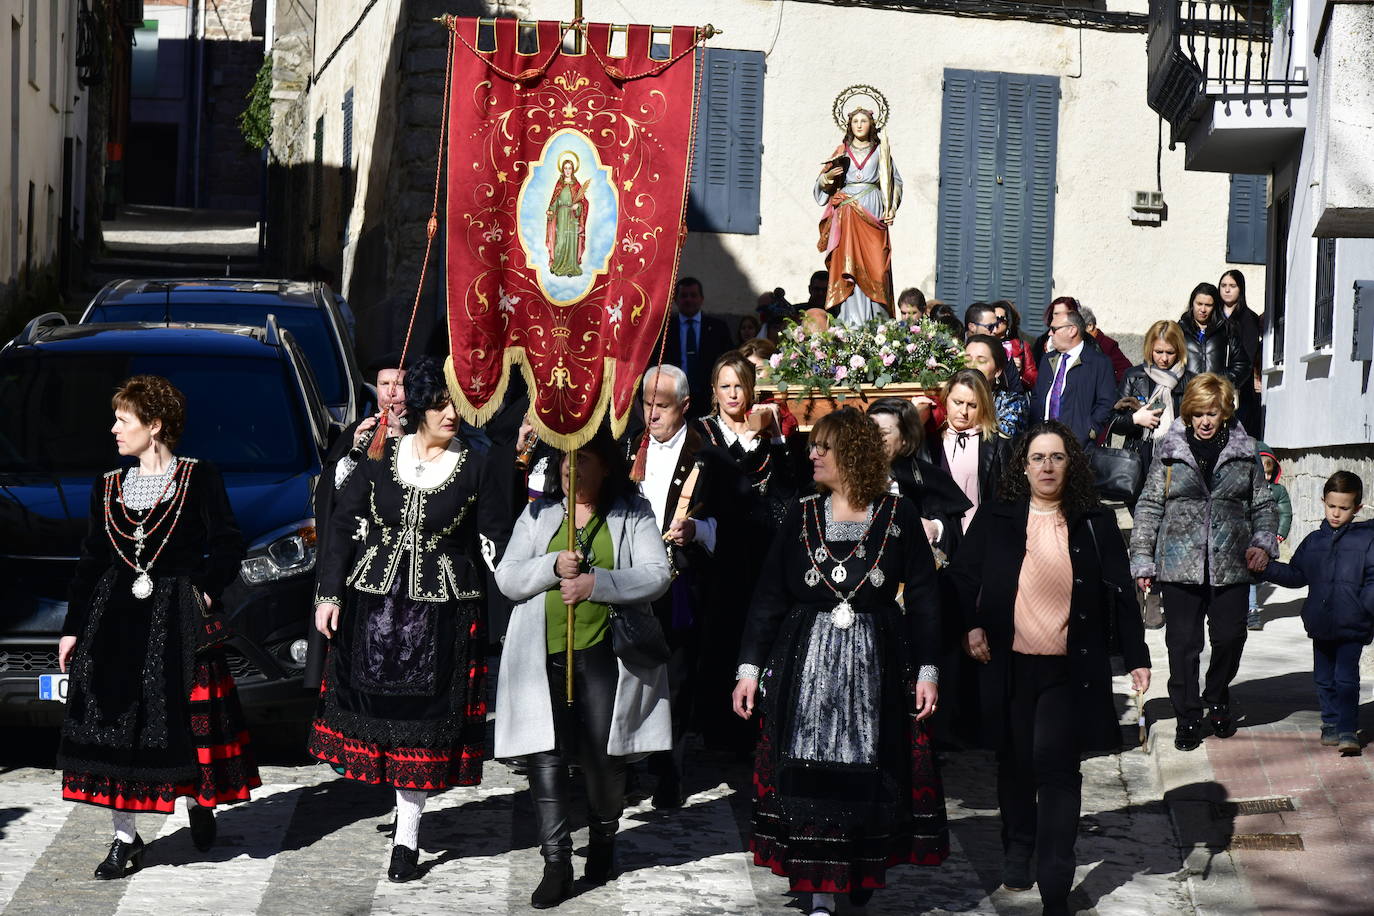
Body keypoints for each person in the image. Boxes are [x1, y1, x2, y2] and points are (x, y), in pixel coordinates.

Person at [732, 408, 947, 915]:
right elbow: (768, 598)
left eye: (823, 447)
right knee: (807, 772)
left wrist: (928, 670)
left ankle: (855, 875)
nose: (812, 454)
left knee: (867, 773)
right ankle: (816, 891)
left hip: (876, 669)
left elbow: (924, 599)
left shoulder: (899, 518)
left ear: (851, 454)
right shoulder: (800, 515)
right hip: (806, 667)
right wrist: (747, 669)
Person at [310, 356, 513, 882]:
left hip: (444, 616)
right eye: (444, 404)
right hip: (374, 608)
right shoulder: (380, 458)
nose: (452, 415)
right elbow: (343, 524)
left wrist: (521, 591)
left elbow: (496, 542)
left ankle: (408, 835)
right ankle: (400, 813)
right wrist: (329, 595)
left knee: (425, 727)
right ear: (421, 406)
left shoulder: (476, 466)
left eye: (459, 406)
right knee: (381, 721)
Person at [56, 375, 257, 878]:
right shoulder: (107, 486)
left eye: (123, 420)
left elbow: (228, 542)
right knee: (118, 732)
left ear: (156, 425)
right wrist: (72, 627)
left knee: (184, 727)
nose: (114, 429)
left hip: (178, 622)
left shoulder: (198, 477)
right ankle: (126, 839)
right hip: (116, 621)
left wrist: (205, 590)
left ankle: (198, 801)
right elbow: (90, 561)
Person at [948, 420, 1151, 916]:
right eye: (1037, 458)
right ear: (1023, 465)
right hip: (1008, 664)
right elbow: (960, 578)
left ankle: (1056, 878)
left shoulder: (1092, 521)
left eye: (1057, 457)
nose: (1046, 466)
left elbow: (1121, 591)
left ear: (1071, 464)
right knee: (1015, 764)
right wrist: (971, 627)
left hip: (1069, 669)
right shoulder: (997, 516)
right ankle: (1017, 848)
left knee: (1057, 769)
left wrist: (1137, 656)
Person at [494, 432, 673, 906]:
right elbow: (508, 578)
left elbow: (657, 574)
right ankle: (556, 862)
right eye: (564, 461)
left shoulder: (632, 513)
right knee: (544, 756)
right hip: (540, 651)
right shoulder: (539, 514)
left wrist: (599, 584)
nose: (570, 470)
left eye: (583, 460)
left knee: (602, 757)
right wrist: (553, 564)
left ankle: (605, 837)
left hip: (604, 652)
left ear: (607, 467)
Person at [1130, 373, 1277, 752]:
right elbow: (1149, 506)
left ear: (1225, 412)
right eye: (1198, 413)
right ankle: (1188, 716)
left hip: (1230, 562)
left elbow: (1263, 504)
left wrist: (1262, 543)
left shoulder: (1246, 452)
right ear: (1189, 414)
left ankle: (1217, 694)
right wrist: (1143, 561)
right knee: (1181, 645)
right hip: (1178, 563)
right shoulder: (1168, 451)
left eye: (1212, 413)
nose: (1205, 421)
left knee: (1230, 636)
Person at [632, 363, 731, 807]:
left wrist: (699, 530)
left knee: (676, 677)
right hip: (628, 578)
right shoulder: (625, 447)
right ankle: (627, 760)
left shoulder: (709, 455)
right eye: (646, 404)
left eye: (662, 406)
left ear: (685, 406)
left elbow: (736, 523)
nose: (651, 415)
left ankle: (670, 767)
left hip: (680, 581)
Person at [694, 352, 795, 750]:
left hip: (764, 550)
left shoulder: (770, 435)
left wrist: (775, 439)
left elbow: (790, 484)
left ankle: (761, 727)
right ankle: (719, 730)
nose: (733, 394)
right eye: (725, 386)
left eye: (739, 385)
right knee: (721, 635)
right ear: (714, 392)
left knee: (763, 633)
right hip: (719, 551)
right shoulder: (704, 432)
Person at [308, 355, 408, 689]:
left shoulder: (422, 434)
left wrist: (400, 439)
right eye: (384, 384)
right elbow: (331, 496)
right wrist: (353, 451)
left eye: (400, 384)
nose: (391, 393)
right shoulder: (357, 430)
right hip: (353, 555)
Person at [1259, 471, 1372, 756]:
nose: (1336, 513)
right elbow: (1296, 575)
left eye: (1344, 508)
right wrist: (1265, 568)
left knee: (1346, 678)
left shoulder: (1366, 541)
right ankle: (1330, 724)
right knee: (1323, 677)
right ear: (1323, 502)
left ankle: (1348, 729)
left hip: (1353, 624)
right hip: (1321, 623)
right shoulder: (1314, 542)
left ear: (1357, 508)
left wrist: (1365, 609)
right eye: (1331, 506)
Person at [815, 108, 903, 323]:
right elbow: (821, 183)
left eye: (864, 121)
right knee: (848, 263)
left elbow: (895, 182)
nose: (860, 125)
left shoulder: (881, 151)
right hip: (847, 214)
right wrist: (827, 177)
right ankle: (850, 320)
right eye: (856, 121)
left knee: (877, 266)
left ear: (871, 124)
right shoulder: (841, 150)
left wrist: (890, 208)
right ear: (850, 125)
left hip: (873, 213)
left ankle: (877, 320)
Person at [866, 396, 972, 563]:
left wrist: (936, 528)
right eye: (869, 431)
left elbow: (954, 536)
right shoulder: (845, 476)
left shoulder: (931, 478)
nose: (873, 438)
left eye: (883, 433)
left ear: (905, 438)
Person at [929, 368, 1011, 535]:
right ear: (946, 399)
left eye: (972, 405)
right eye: (958, 402)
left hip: (981, 540)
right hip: (939, 540)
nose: (964, 412)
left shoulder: (999, 444)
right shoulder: (930, 442)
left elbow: (1007, 500)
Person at [1108, 319, 1195, 475]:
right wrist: (1135, 419)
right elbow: (1113, 421)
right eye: (1158, 352)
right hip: (1140, 456)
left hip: (1178, 457)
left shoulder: (1190, 382)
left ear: (1180, 351)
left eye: (1170, 352)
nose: (1164, 358)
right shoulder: (1134, 376)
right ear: (1149, 349)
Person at [1030, 309, 1117, 447]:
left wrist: (1089, 431)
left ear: (1072, 331)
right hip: (1043, 442)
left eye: (1054, 329)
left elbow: (1106, 403)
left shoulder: (1099, 363)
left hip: (1078, 447)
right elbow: (1037, 396)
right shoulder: (1048, 359)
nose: (1050, 333)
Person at [660, 277, 735, 417]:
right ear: (675, 299)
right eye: (684, 296)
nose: (689, 300)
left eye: (693, 295)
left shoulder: (718, 327)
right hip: (675, 396)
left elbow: (729, 360)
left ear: (701, 299)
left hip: (709, 396)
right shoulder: (665, 329)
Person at [1247, 442, 1292, 630]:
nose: (1265, 478)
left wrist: (1280, 533)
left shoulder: (1278, 491)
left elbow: (1285, 513)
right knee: (1248, 576)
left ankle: (1252, 610)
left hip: (1264, 540)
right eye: (1262, 473)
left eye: (1268, 473)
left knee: (1254, 576)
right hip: (1244, 538)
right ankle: (1250, 609)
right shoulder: (1247, 490)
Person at [1179, 282, 1250, 393]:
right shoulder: (1179, 330)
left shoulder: (1227, 330)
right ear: (1192, 303)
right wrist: (1182, 385)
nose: (1203, 309)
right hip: (1186, 396)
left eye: (1208, 305)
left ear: (1215, 307)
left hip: (1217, 397)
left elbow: (1242, 364)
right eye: (1199, 304)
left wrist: (1221, 382)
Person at [1218, 269, 1263, 436]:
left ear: (1240, 289)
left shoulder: (1249, 318)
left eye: (1232, 286)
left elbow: (1248, 356)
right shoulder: (1214, 317)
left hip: (1241, 389)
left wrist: (1232, 377)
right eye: (1223, 286)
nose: (1227, 290)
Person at [965, 333, 1029, 439]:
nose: (972, 366)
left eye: (981, 361)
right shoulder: (952, 393)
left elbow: (1005, 436)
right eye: (967, 359)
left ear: (998, 371)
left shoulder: (1011, 402)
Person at [546, 154, 589, 276]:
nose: (567, 170)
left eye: (570, 168)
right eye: (565, 168)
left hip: (573, 217)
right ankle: (558, 264)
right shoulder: (559, 184)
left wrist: (578, 206)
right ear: (562, 169)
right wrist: (550, 210)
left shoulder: (576, 185)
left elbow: (584, 202)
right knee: (560, 240)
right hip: (561, 215)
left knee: (572, 241)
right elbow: (554, 201)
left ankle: (571, 267)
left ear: (573, 169)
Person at [1078, 306, 1132, 384]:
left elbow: (1126, 370)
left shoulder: (1107, 345)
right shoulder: (1081, 344)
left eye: (1079, 328)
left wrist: (1105, 379)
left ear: (1090, 326)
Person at [994, 300, 1038, 390]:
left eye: (1000, 319)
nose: (995, 323)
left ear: (1008, 322)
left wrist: (1020, 373)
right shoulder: (982, 342)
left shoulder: (1022, 345)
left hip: (1011, 396)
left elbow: (1034, 380)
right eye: (993, 319)